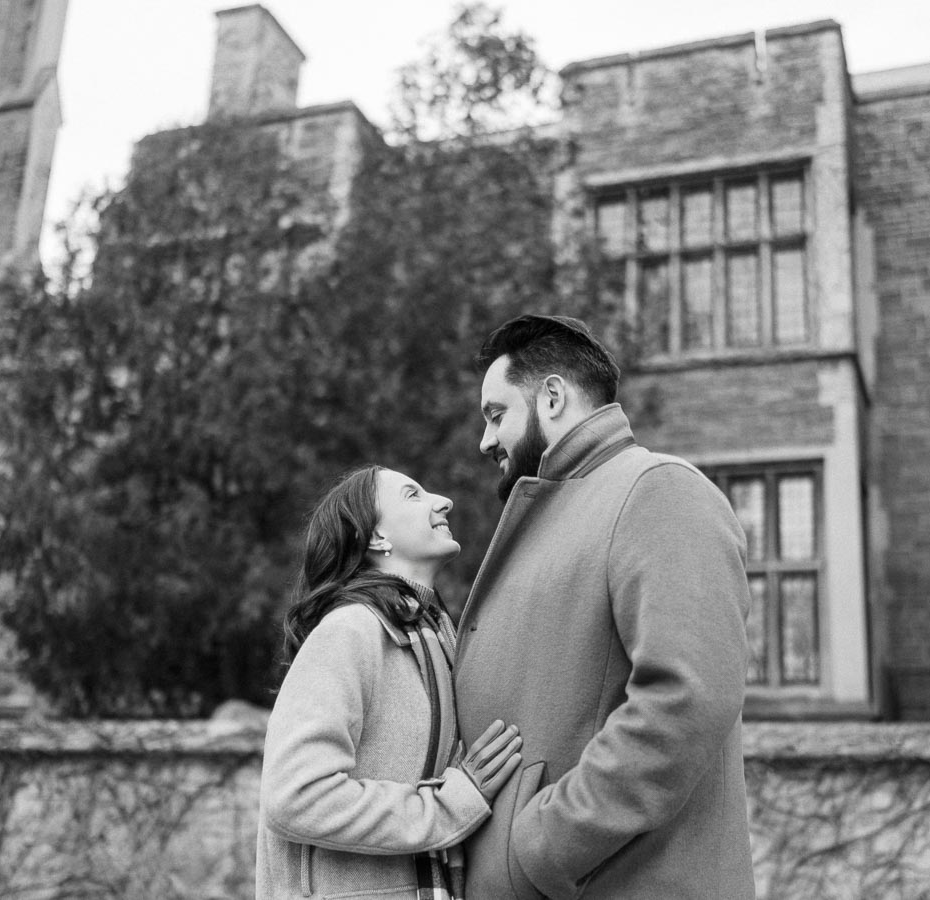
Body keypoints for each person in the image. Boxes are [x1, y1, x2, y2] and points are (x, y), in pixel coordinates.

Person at [453, 315, 756, 900]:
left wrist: (540, 847)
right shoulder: (563, 509)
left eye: (496, 414)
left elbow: (686, 700)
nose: (485, 440)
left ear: (552, 396)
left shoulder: (657, 489)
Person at [257, 465, 523, 900]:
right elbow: (295, 796)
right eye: (413, 495)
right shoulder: (349, 632)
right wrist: (448, 805)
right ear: (377, 537)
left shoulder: (437, 636)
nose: (444, 501)